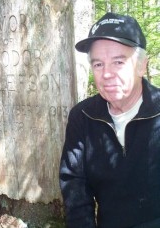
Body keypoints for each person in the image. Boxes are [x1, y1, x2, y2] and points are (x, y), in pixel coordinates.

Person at [59, 12, 160, 228]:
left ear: (142, 65)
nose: (106, 74)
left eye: (118, 62)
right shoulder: (82, 117)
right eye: (98, 64)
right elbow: (75, 187)